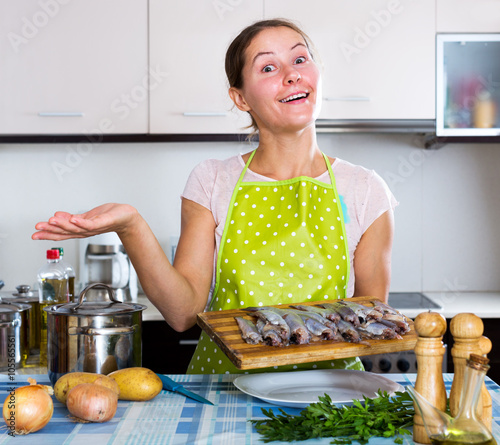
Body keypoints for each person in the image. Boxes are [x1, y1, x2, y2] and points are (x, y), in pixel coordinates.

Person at [32, 19, 397, 374]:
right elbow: (182, 313)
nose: (292, 74)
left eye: (300, 59)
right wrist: (131, 225)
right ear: (240, 98)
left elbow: (370, 321)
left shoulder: (365, 190)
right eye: (268, 67)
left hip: (327, 396)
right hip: (224, 390)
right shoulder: (212, 181)